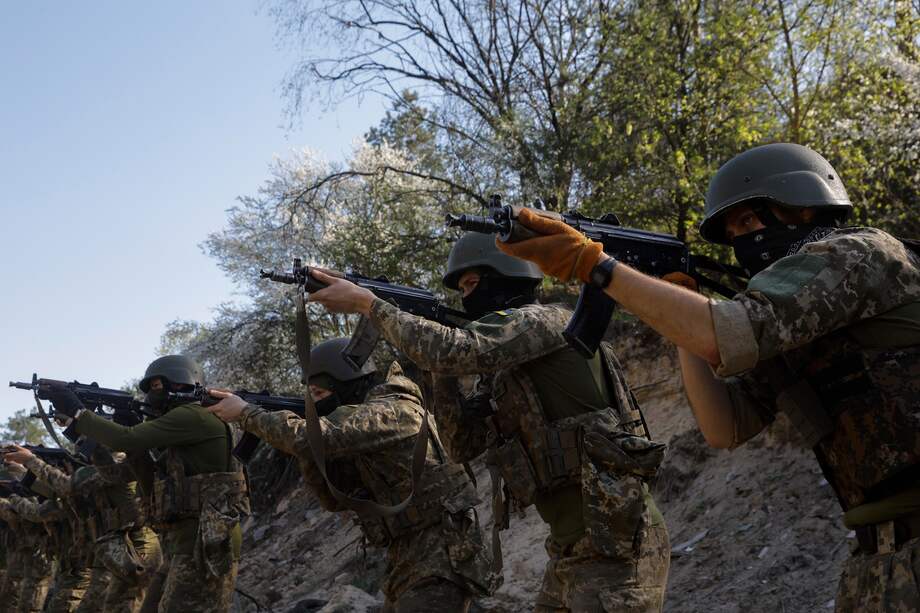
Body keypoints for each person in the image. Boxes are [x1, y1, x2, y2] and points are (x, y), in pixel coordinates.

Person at [490, 142, 920, 611]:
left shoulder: (860, 254)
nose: (741, 241)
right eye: (732, 232)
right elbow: (724, 426)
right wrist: (678, 311)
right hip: (878, 557)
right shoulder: (795, 332)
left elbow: (726, 333)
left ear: (802, 207)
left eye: (749, 222)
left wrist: (595, 266)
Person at [301, 233, 671, 612]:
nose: (465, 297)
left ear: (506, 277)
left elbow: (458, 349)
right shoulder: (508, 371)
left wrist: (369, 304)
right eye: (460, 289)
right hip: (572, 548)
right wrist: (440, 373)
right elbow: (462, 443)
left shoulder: (546, 322)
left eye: (472, 284)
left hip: (616, 542)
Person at [207, 337, 498, 612]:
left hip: (443, 553)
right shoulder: (364, 427)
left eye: (319, 394)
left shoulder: (392, 411)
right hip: (409, 553)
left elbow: (312, 438)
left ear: (347, 386)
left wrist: (246, 413)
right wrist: (308, 454)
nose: (314, 402)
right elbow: (335, 499)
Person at [44, 355, 249, 613]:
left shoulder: (192, 416)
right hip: (184, 542)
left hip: (206, 543)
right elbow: (117, 475)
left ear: (180, 384)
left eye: (156, 386)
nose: (152, 395)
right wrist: (80, 431)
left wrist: (79, 413)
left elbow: (124, 439)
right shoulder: (177, 431)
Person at [3, 444, 162, 613]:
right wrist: (21, 472)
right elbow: (58, 492)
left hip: (132, 551)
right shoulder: (88, 483)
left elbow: (65, 487)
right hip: (112, 554)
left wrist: (29, 461)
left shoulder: (113, 464)